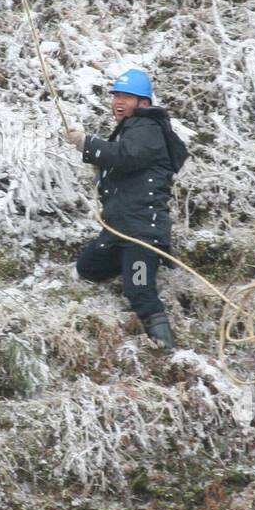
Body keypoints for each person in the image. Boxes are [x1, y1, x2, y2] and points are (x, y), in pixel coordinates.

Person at [63, 69, 188, 349]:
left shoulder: (147, 128)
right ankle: (130, 267)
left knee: (139, 289)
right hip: (119, 232)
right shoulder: (134, 129)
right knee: (88, 268)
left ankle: (168, 353)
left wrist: (87, 143)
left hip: (142, 235)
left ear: (143, 103)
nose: (119, 102)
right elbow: (125, 160)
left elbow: (125, 156)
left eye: (127, 97)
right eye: (117, 96)